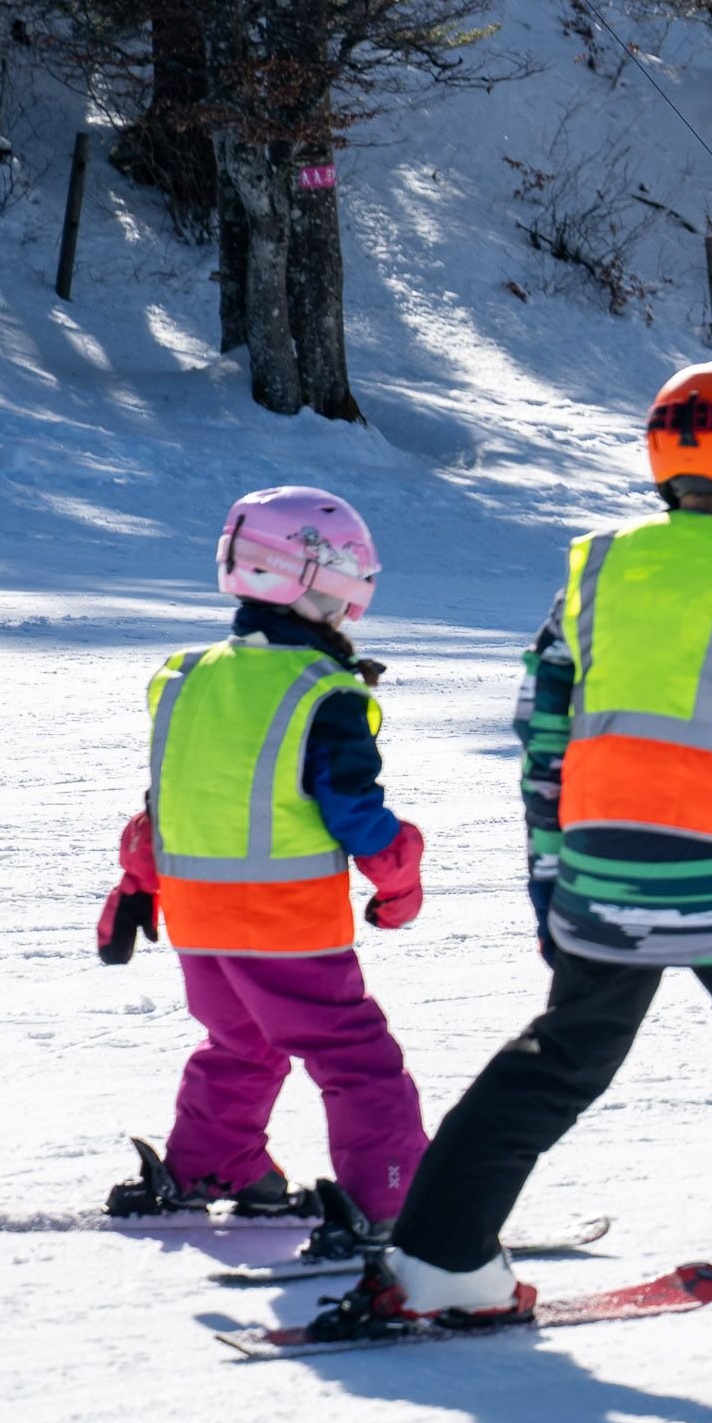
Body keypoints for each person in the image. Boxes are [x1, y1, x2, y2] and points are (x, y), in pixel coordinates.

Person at [313, 361, 712, 1365]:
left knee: (557, 1059)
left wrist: (554, 884)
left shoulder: (595, 571)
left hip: (604, 882)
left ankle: (436, 1263)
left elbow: (543, 738)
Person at [94, 486, 431, 1242]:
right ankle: (395, 1204)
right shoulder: (322, 690)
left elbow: (169, 802)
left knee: (241, 1044)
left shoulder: (188, 677)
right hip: (286, 922)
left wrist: (136, 884)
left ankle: (215, 1163)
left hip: (199, 922)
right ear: (320, 579)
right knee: (355, 1057)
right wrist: (399, 875)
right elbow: (353, 810)